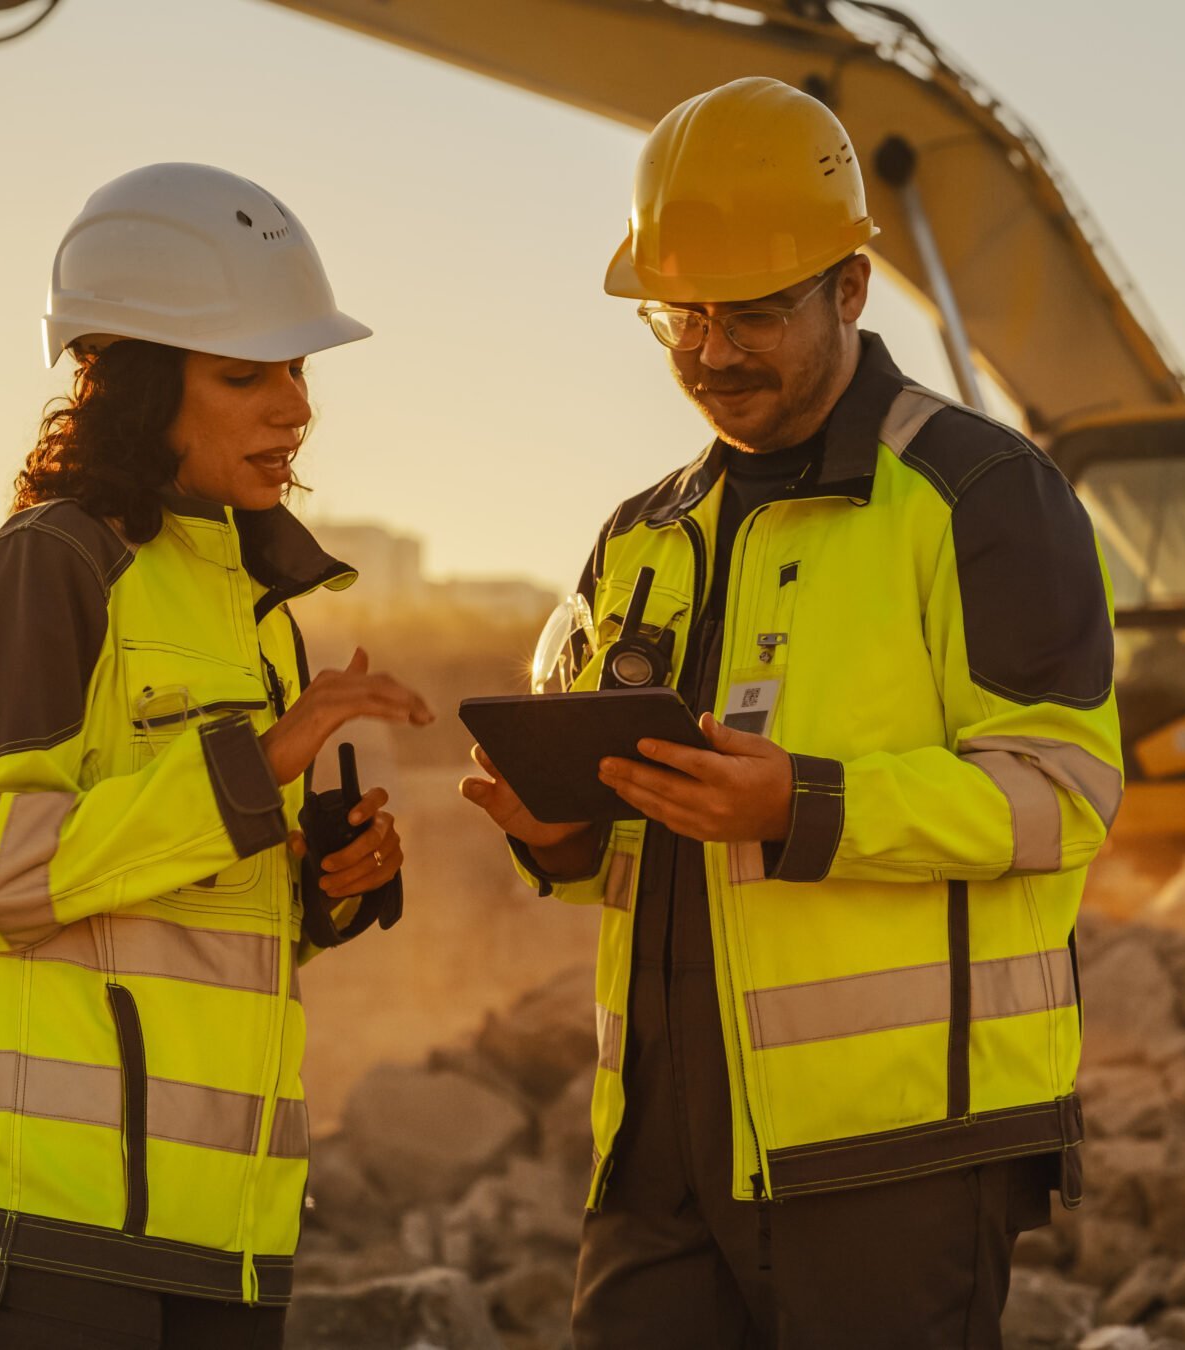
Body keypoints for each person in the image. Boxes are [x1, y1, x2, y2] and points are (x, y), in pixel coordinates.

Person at [459, 78, 1125, 1349]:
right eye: (680, 318)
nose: (709, 354)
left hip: (897, 1148)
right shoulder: (639, 535)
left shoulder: (981, 493)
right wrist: (554, 835)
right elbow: (637, 837)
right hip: (658, 1147)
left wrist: (806, 806)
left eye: (752, 314)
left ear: (850, 290)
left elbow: (1064, 791)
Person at [0, 162, 432, 1350]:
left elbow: (196, 913)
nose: (292, 407)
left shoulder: (257, 610)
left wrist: (320, 886)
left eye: (299, 367)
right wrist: (257, 770)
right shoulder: (53, 565)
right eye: (245, 373)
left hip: (230, 1233)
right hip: (58, 1235)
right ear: (140, 387)